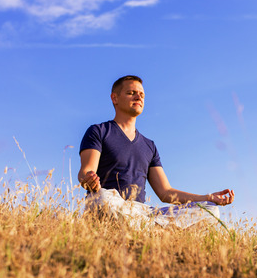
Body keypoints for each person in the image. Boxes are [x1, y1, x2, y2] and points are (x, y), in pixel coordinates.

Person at [78, 75, 234, 227]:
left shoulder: (149, 145)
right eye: (131, 93)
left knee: (210, 209)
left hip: (142, 212)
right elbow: (86, 171)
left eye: (142, 95)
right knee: (102, 198)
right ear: (115, 98)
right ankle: (160, 230)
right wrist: (89, 180)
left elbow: (165, 192)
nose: (138, 97)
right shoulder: (99, 131)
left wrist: (207, 197)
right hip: (111, 203)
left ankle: (151, 228)